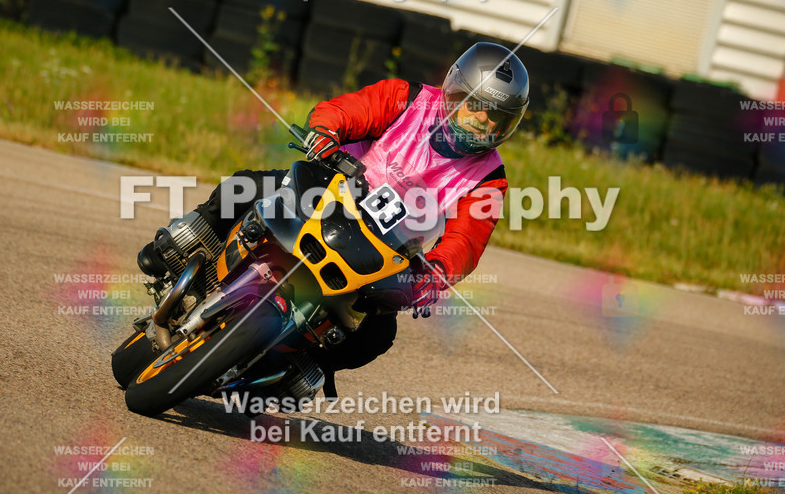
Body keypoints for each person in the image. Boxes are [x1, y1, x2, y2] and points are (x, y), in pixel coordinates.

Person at [143, 42, 529, 381]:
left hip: (384, 253)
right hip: (328, 190)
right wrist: (327, 131)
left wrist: (438, 274)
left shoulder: (489, 178)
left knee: (377, 336)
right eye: (477, 106)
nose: (484, 122)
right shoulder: (406, 97)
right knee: (244, 187)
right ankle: (178, 247)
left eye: (498, 117)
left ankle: (297, 370)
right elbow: (351, 110)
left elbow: (467, 239)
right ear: (454, 93)